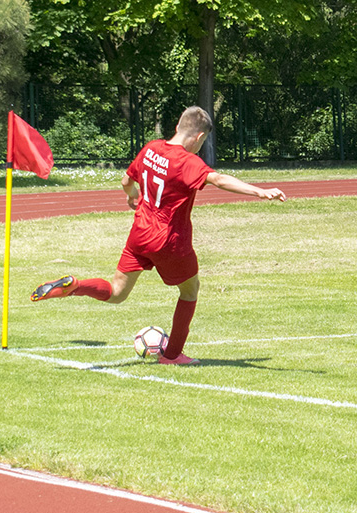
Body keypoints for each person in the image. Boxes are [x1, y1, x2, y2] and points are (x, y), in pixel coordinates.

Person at [31, 106, 286, 364]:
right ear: (199, 137)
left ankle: (76, 286)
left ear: (177, 126)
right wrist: (260, 191)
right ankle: (172, 356)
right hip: (169, 241)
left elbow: (126, 182)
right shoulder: (187, 162)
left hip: (140, 234)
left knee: (117, 292)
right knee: (190, 292)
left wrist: (133, 196)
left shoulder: (151, 148)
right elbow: (218, 179)